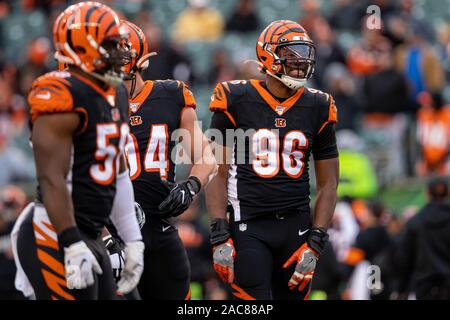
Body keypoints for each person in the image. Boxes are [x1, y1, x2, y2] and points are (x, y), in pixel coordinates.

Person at [11, 2, 144, 300]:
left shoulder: (117, 93)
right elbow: (51, 179)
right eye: (110, 44)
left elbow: (118, 171)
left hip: (94, 232)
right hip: (55, 232)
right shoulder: (60, 94)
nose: (119, 52)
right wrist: (70, 242)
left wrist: (133, 239)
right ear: (82, 47)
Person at [206, 20, 339, 300]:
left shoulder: (318, 105)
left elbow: (329, 183)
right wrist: (219, 232)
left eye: (304, 53)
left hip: (297, 226)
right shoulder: (236, 98)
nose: (301, 61)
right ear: (269, 55)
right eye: (292, 54)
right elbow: (217, 171)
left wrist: (316, 241)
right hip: (248, 225)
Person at [120, 20, 217, 300]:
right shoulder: (94, 102)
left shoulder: (171, 94)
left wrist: (191, 185)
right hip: (111, 230)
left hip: (158, 227)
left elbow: (207, 157)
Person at [397, 177, 450, 299]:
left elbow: (405, 259)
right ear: (447, 193)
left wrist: (401, 289)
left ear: (427, 194)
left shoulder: (415, 222)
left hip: (425, 289)